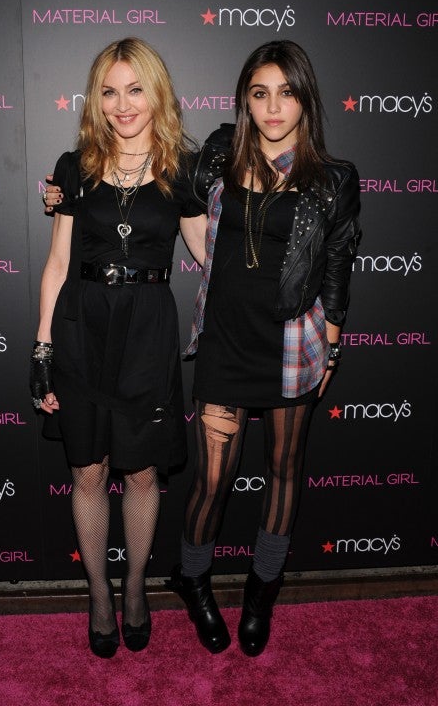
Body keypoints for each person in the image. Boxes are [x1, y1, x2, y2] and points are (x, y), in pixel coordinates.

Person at [171, 39, 361, 657]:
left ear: (306, 100)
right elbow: (178, 196)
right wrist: (67, 186)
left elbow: (337, 264)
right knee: (211, 483)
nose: (274, 107)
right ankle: (193, 579)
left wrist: (331, 347)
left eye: (287, 93)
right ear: (245, 102)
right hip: (225, 344)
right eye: (260, 94)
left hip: (291, 346)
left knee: (283, 473)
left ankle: (261, 593)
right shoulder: (219, 153)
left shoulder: (333, 179)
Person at [31, 37, 206, 658]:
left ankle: (135, 587)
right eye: (109, 91)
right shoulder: (74, 167)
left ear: (158, 95)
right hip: (82, 328)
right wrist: (42, 349)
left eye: (135, 90)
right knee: (88, 469)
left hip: (148, 334)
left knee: (142, 472)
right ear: (95, 99)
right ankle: (98, 593)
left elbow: (209, 257)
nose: (122, 104)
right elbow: (57, 263)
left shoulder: (184, 171)